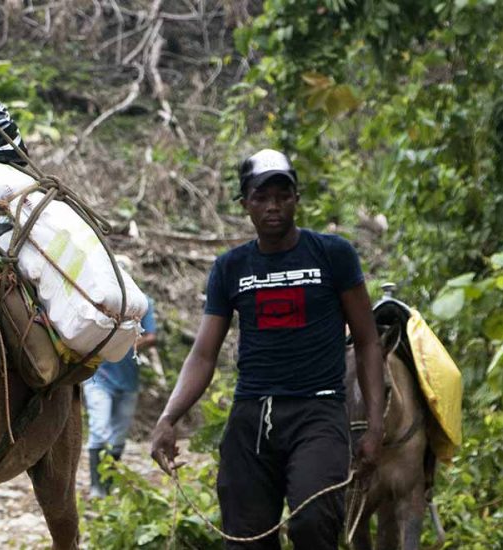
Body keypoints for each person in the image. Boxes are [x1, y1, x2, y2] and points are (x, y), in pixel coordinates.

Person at [149, 149, 385, 549]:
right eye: (261, 197)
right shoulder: (231, 268)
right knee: (245, 539)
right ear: (245, 205)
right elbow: (204, 354)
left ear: (297, 198)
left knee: (313, 523)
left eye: (282, 195)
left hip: (319, 412)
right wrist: (169, 416)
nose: (273, 206)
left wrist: (375, 426)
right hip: (252, 417)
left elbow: (367, 341)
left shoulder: (333, 255)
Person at [84, 277, 157, 499]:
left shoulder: (143, 303)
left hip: (128, 380)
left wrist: (124, 342)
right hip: (98, 378)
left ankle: (108, 483)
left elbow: (151, 336)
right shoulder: (98, 300)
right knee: (99, 429)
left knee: (119, 434)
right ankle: (97, 488)